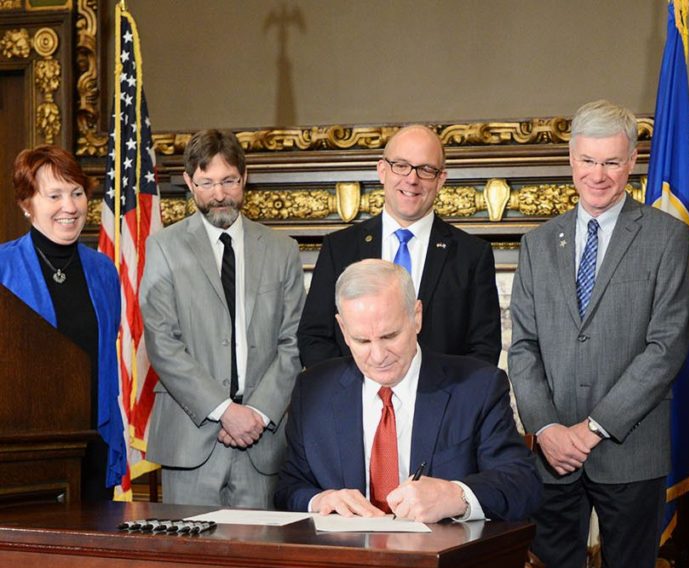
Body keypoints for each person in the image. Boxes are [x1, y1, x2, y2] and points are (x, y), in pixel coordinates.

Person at [508, 100, 689, 568]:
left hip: (628, 448)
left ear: (633, 162)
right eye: (587, 161)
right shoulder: (540, 242)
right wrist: (549, 428)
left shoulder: (666, 238)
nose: (599, 174)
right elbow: (522, 348)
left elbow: (667, 347)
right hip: (552, 451)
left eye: (613, 161)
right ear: (571, 161)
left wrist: (594, 426)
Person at [275, 259, 541, 523]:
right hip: (347, 559)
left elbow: (522, 484)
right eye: (362, 340)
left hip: (442, 557)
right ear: (343, 330)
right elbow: (290, 487)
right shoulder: (313, 390)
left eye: (390, 336)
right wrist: (320, 500)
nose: (378, 356)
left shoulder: (477, 388)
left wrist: (456, 496)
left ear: (416, 317)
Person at [141, 128, 304, 508]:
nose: (219, 195)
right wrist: (225, 411)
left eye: (229, 181)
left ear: (245, 178)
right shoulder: (163, 248)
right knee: (187, 564)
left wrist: (257, 414)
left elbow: (293, 342)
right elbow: (162, 342)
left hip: (262, 444)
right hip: (191, 440)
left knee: (260, 561)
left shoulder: (282, 250)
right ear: (188, 182)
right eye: (206, 183)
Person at [298, 124, 500, 369]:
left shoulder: (472, 255)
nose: (412, 179)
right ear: (382, 170)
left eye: (426, 169)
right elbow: (315, 337)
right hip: (354, 401)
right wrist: (359, 393)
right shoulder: (339, 248)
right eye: (401, 166)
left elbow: (484, 347)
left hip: (442, 401)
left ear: (440, 180)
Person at [0, 145, 123, 501]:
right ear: (27, 204)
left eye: (77, 192)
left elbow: (104, 356)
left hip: (94, 443)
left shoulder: (103, 271)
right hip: (24, 453)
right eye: (54, 195)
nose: (70, 206)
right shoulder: (3, 269)